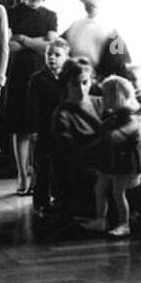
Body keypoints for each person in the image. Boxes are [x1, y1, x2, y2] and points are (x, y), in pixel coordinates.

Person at [3, 0, 59, 196]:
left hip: (43, 72)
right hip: (18, 72)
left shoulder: (50, 15)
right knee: (21, 128)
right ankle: (22, 175)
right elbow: (9, 45)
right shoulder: (12, 12)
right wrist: (37, 42)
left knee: (40, 127)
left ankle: (39, 175)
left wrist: (23, 39)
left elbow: (50, 46)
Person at [86, 76, 141, 238]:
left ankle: (124, 224)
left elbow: (134, 132)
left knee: (118, 193)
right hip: (112, 160)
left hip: (124, 162)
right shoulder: (115, 114)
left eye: (106, 95)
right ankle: (100, 220)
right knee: (100, 188)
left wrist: (118, 134)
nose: (102, 98)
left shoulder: (128, 115)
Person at [51, 57, 102, 224]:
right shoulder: (62, 115)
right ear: (66, 84)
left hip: (109, 163)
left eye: (85, 83)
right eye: (75, 84)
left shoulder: (100, 102)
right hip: (83, 171)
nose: (81, 89)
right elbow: (69, 154)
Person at [27, 37, 70, 218]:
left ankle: (61, 200)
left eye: (57, 55)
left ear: (66, 57)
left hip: (63, 129)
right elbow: (32, 107)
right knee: (42, 168)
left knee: (61, 166)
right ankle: (41, 203)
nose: (52, 58)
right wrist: (34, 129)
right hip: (44, 129)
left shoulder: (69, 78)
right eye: (49, 54)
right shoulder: (38, 79)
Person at [64, 0, 133, 82]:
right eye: (87, 4)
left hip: (101, 81)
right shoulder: (75, 26)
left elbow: (119, 63)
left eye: (92, 4)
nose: (89, 7)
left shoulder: (110, 30)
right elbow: (60, 47)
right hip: (75, 79)